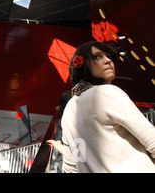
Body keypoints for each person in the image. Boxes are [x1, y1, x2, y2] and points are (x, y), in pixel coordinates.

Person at [60, 41, 155, 173]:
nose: (107, 61)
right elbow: (151, 139)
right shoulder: (107, 93)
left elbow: (72, 165)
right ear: (82, 65)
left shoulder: (69, 109)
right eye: (97, 56)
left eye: (108, 56)